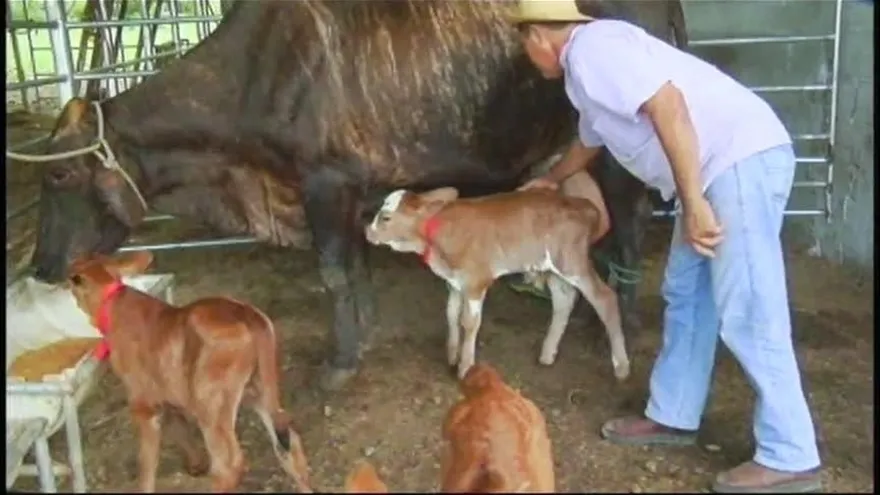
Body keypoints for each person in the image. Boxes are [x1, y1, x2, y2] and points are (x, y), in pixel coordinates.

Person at [508, 0, 822, 493]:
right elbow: (591, 138)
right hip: (714, 172)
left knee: (749, 303)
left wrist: (695, 201)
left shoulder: (594, 49)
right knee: (687, 295)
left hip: (734, 163)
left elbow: (668, 105)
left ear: (536, 38)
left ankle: (790, 453)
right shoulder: (583, 70)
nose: (526, 57)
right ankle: (674, 413)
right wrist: (551, 180)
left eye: (523, 46)